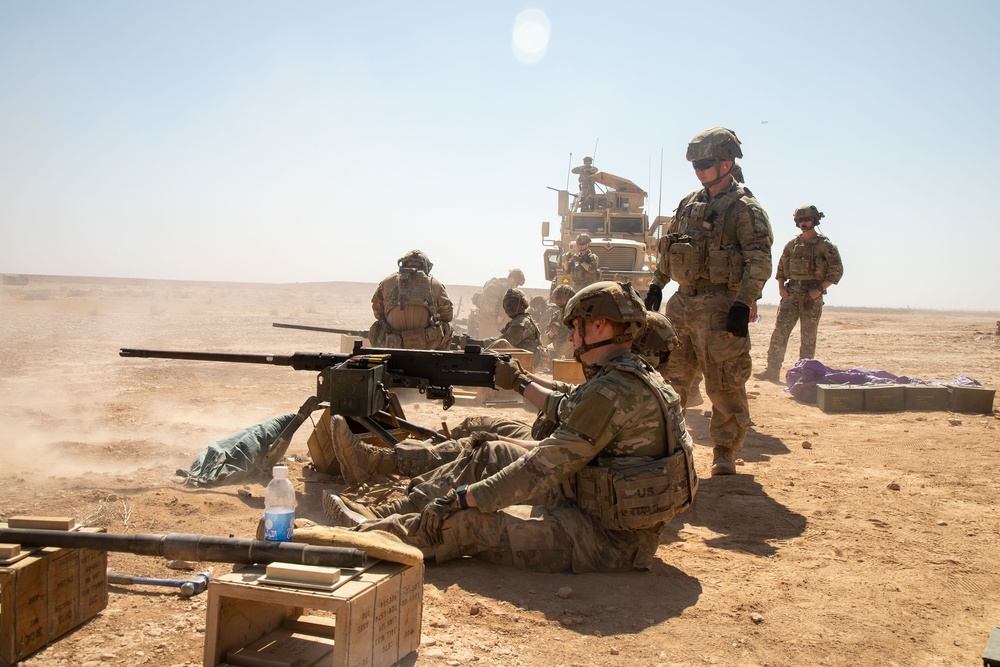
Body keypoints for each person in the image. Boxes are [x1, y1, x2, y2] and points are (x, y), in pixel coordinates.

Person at [326, 281, 697, 573]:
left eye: (578, 328)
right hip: (587, 507)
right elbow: (571, 407)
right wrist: (522, 381)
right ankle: (389, 512)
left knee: (471, 524)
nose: (571, 337)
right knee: (493, 451)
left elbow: (541, 467)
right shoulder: (630, 378)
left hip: (607, 541)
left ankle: (366, 538)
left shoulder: (615, 391)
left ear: (600, 325)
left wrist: (465, 496)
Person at [643, 127, 773, 476]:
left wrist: (743, 303)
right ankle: (668, 447)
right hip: (682, 304)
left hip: (720, 307)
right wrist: (657, 285)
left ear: (727, 163)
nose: (699, 170)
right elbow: (669, 249)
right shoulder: (688, 203)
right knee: (670, 378)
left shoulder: (745, 209)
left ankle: (724, 451)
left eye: (705, 163)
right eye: (695, 164)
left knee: (724, 382)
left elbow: (759, 260)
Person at [757, 205, 844, 381]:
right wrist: (781, 288)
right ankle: (772, 371)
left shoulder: (825, 246)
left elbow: (836, 271)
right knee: (780, 333)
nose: (804, 223)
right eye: (801, 220)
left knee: (808, 337)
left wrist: (819, 290)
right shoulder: (792, 244)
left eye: (807, 219)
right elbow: (781, 268)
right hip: (791, 293)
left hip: (812, 296)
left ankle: (806, 375)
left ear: (814, 220)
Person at [369, 250, 453, 350]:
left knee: (378, 326)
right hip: (424, 344)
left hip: (392, 342)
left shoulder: (388, 281)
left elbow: (378, 313)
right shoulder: (435, 284)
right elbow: (447, 316)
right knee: (447, 329)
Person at [483, 288, 541, 359]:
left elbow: (505, 341)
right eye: (506, 304)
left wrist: (476, 342)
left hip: (528, 360)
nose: (509, 307)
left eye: (513, 303)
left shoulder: (521, 322)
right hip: (523, 357)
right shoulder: (519, 319)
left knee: (502, 343)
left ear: (522, 304)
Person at [468, 268, 526, 338]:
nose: (516, 286)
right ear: (513, 279)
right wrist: (499, 324)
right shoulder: (507, 289)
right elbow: (502, 310)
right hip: (492, 321)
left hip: (481, 315)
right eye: (517, 284)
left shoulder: (493, 281)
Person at [544, 284, 576, 360]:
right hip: (563, 357)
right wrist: (552, 332)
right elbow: (545, 341)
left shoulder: (577, 315)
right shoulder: (555, 317)